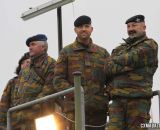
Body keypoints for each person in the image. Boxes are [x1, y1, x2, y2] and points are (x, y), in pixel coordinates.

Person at [54, 15, 110, 130]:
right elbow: (58, 80)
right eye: (79, 27)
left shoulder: (102, 53)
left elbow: (111, 79)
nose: (83, 29)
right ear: (75, 30)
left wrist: (105, 97)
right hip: (74, 110)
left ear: (91, 29)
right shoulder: (66, 52)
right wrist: (77, 94)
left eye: (86, 26)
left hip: (98, 110)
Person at [105, 15, 158, 130]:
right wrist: (131, 66)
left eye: (134, 25)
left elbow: (132, 58)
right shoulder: (120, 49)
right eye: (128, 26)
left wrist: (117, 63)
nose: (130, 29)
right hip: (117, 101)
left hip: (138, 100)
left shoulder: (149, 44)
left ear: (144, 27)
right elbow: (107, 68)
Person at [1, 34, 57, 130]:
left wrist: (33, 106)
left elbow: (49, 89)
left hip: (39, 117)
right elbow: (16, 93)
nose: (30, 48)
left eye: (33, 44)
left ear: (43, 47)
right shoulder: (25, 69)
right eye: (29, 46)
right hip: (18, 120)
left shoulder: (51, 64)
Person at [0, 52, 30, 130]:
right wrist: (3, 126)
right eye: (24, 62)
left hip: (37, 121)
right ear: (20, 66)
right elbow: (3, 105)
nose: (27, 64)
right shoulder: (13, 82)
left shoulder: (40, 81)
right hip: (16, 124)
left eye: (30, 62)